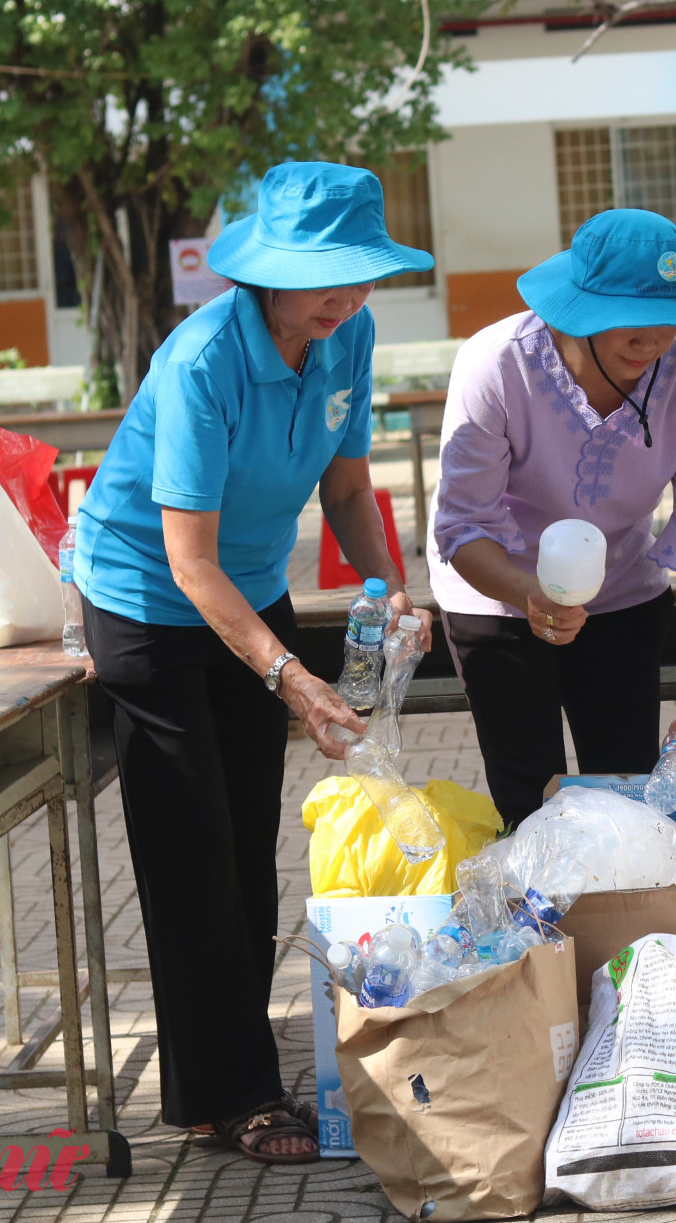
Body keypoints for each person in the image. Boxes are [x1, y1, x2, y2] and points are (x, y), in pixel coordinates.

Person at [75, 162, 435, 1164]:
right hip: (148, 600)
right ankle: (224, 1097)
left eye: (360, 276)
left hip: (249, 594)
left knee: (244, 840)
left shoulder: (344, 337)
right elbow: (186, 561)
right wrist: (291, 675)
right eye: (324, 276)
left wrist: (389, 585)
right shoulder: (201, 362)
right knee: (190, 843)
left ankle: (229, 1067)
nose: (346, 297)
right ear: (265, 273)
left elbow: (349, 489)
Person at [428, 209, 676, 827]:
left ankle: (626, 921)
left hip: (623, 590)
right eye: (629, 319)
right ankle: (540, 922)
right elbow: (463, 526)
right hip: (497, 594)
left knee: (625, 792)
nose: (652, 342)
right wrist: (530, 594)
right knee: (529, 798)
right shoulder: (496, 364)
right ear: (577, 307)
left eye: (666, 319)